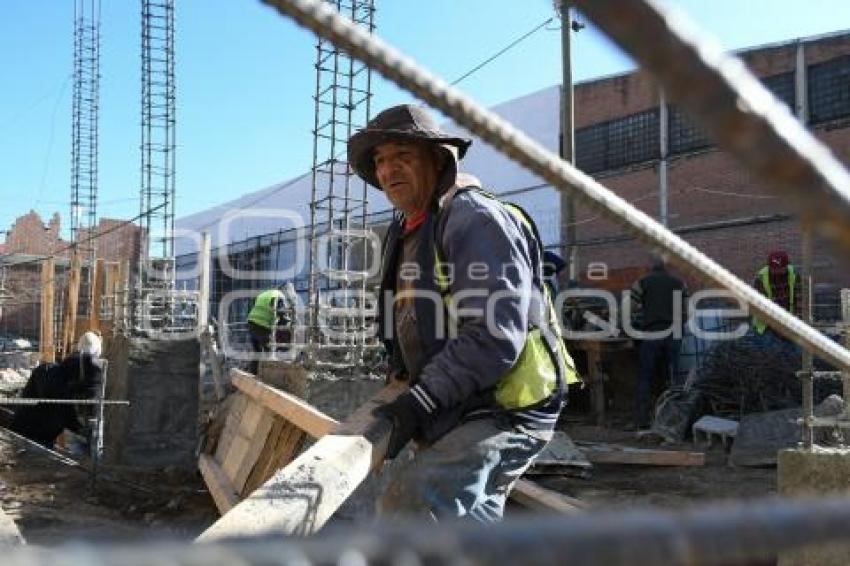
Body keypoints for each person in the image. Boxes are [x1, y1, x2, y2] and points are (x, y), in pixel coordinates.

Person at [347, 104, 577, 522]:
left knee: (411, 501)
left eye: (403, 156)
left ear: (437, 159)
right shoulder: (410, 229)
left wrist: (419, 400)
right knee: (470, 521)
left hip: (506, 408)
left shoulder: (473, 218)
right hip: (461, 400)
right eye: (380, 160)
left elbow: (494, 335)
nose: (387, 170)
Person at [10, 331, 103, 449]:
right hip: (25, 439)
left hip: (44, 442)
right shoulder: (46, 371)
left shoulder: (64, 387)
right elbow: (52, 396)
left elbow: (68, 416)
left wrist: (83, 430)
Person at [629, 257, 687, 430]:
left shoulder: (642, 283)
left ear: (650, 268)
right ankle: (674, 422)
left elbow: (631, 307)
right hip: (674, 334)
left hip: (652, 334)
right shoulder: (679, 283)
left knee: (645, 377)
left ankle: (641, 421)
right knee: (673, 377)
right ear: (665, 267)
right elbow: (687, 310)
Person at [246, 283, 295, 375]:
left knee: (257, 351)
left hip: (251, 322)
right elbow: (282, 315)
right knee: (270, 349)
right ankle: (271, 375)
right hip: (262, 324)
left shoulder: (266, 294)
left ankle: (253, 373)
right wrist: (288, 325)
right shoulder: (279, 296)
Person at [752, 250, 800, 335]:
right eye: (773, 268)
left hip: (789, 321)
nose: (776, 271)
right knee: (774, 346)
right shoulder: (761, 278)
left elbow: (799, 297)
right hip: (767, 326)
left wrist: (797, 317)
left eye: (780, 268)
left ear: (786, 266)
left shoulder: (794, 274)